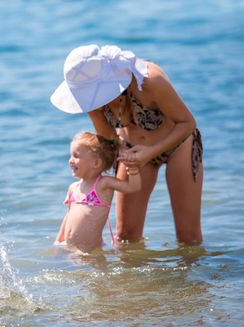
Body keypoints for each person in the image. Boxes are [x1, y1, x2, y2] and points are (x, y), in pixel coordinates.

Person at [51, 44, 203, 245]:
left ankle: (192, 276)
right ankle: (133, 277)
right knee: (125, 237)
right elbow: (107, 134)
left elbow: (187, 123)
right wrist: (123, 151)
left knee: (188, 237)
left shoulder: (150, 80)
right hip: (132, 151)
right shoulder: (90, 97)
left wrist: (149, 153)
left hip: (179, 145)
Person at [54, 131, 141, 253]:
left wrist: (133, 169)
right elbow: (68, 216)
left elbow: (133, 187)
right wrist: (58, 241)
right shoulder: (73, 187)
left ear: (96, 163)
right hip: (69, 248)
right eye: (70, 156)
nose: (70, 160)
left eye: (76, 156)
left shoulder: (103, 184)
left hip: (91, 251)